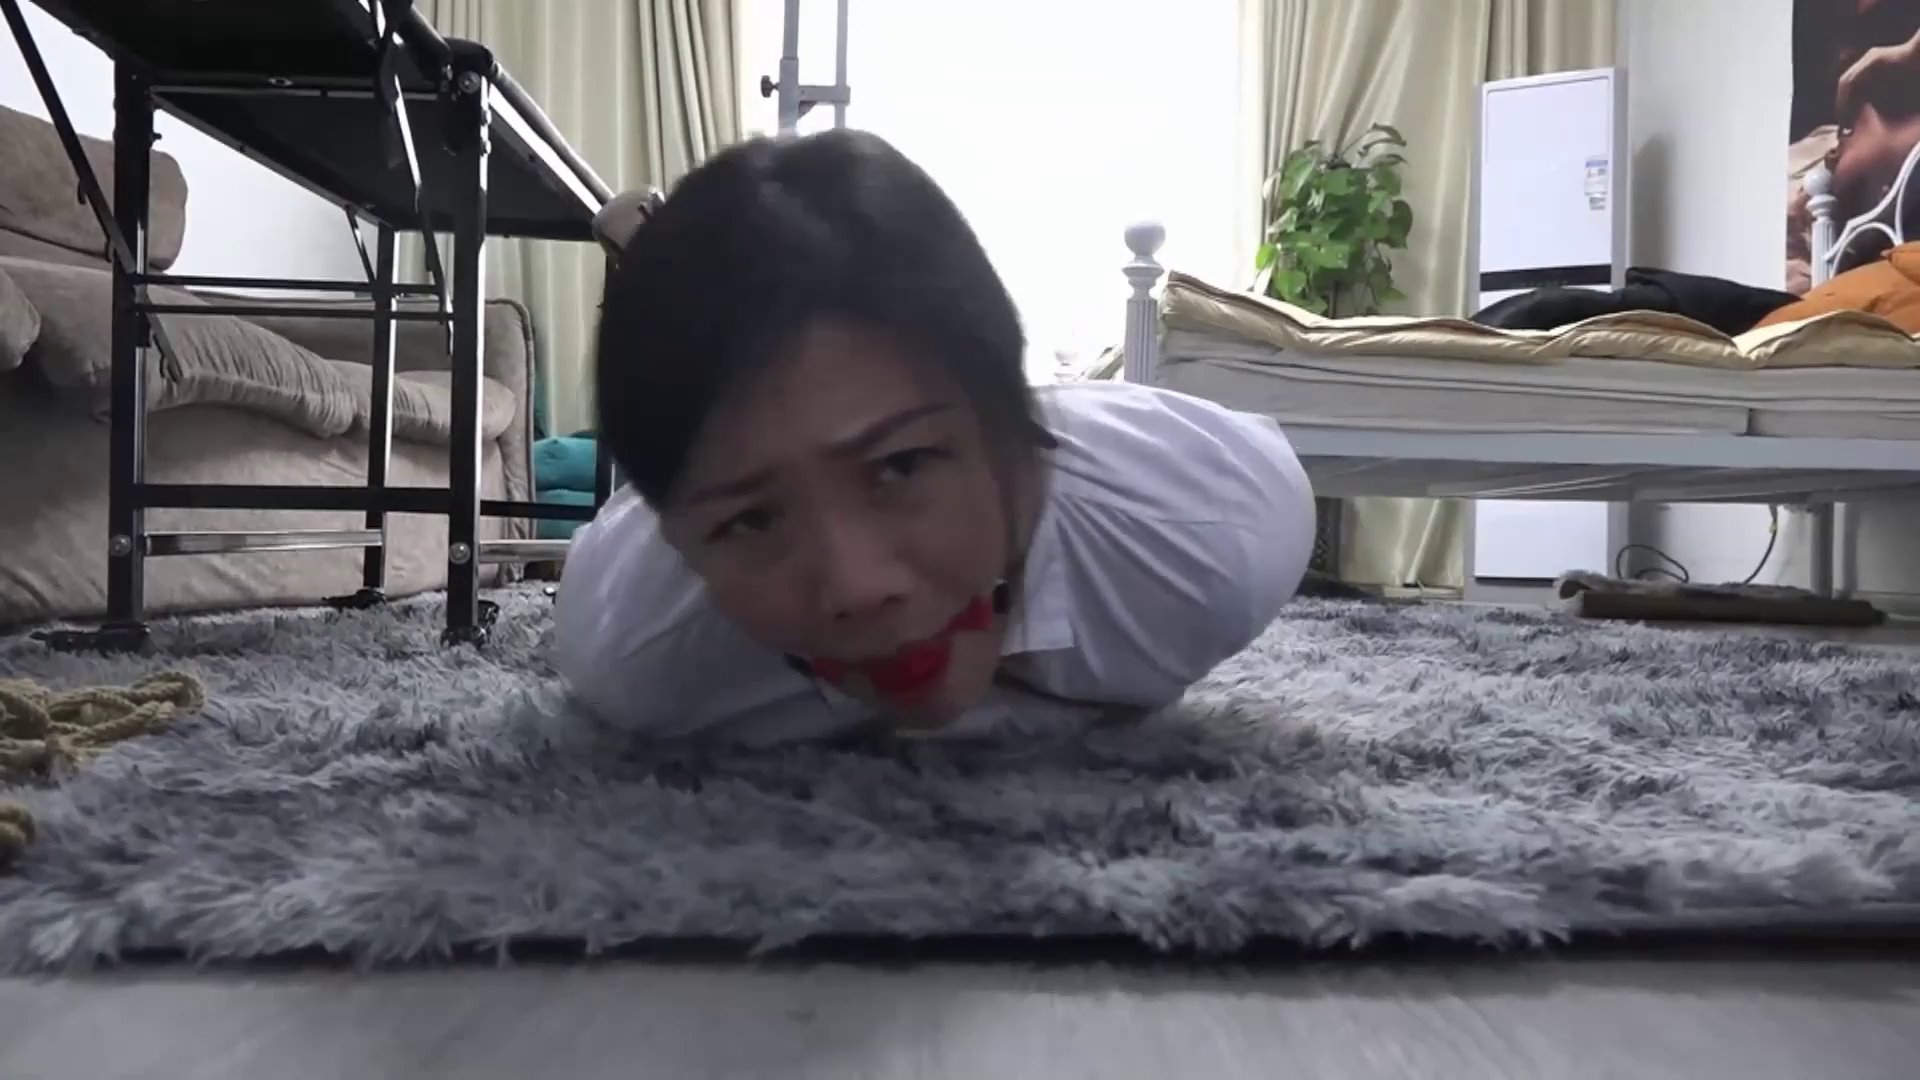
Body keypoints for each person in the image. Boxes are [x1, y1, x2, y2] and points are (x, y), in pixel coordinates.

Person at [555, 129, 1315, 745]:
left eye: (901, 466)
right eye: (753, 520)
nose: (856, 588)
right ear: (683, 546)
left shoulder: (1218, 537)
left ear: (1017, 435)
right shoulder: (638, 655)